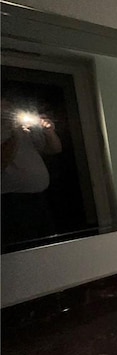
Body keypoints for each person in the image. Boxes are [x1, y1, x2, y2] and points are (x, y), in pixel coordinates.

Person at [1, 98, 62, 249]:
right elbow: (2, 161)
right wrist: (14, 133)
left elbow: (55, 149)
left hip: (38, 197)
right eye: (3, 106)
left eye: (9, 106)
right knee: (21, 248)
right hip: (11, 200)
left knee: (47, 243)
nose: (7, 109)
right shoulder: (8, 131)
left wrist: (49, 132)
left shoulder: (25, 131)